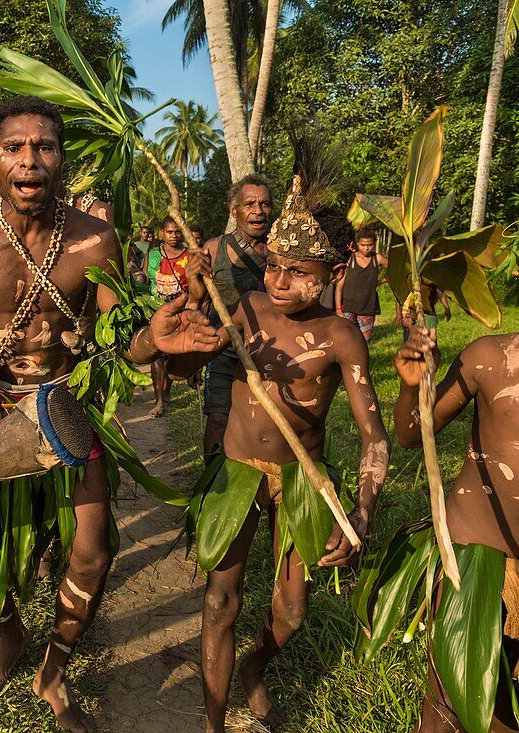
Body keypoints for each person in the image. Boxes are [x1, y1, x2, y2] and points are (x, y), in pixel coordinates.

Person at [0, 95, 203, 733]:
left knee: (93, 551)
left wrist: (155, 341)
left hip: (66, 409)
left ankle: (55, 668)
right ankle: (11, 635)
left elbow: (117, 339)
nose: (30, 160)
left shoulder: (96, 240)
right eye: (15, 147)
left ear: (62, 161)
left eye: (44, 147)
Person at [148, 176, 389, 733]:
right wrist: (193, 321)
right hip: (236, 469)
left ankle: (254, 670)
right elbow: (188, 366)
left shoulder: (340, 338)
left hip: (302, 478)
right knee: (220, 600)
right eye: (275, 265)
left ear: (331, 275)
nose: (280, 281)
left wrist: (361, 512)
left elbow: (374, 437)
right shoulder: (249, 308)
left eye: (298, 271)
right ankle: (212, 722)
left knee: (292, 612)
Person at [385, 327, 519, 733]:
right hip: (476, 551)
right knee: (448, 703)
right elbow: (411, 434)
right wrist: (413, 387)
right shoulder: (493, 356)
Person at [191, 174, 274, 458]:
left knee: (265, 425)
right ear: (234, 209)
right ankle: (212, 487)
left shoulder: (280, 251)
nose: (258, 211)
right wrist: (194, 359)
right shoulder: (215, 249)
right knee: (218, 419)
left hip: (271, 353)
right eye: (249, 203)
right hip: (224, 351)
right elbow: (199, 305)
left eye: (264, 204)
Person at [145, 215, 190, 417]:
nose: (173, 236)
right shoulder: (153, 254)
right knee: (157, 356)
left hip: (182, 312)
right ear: (162, 233)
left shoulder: (189, 255)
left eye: (177, 231)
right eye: (170, 232)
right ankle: (159, 401)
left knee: (173, 355)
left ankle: (167, 392)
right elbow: (145, 281)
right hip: (156, 311)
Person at [335, 228, 386, 341]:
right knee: (347, 338)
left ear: (374, 244)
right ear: (357, 243)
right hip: (348, 306)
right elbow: (339, 286)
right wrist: (338, 309)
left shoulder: (377, 258)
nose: (366, 248)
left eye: (369, 245)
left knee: (364, 340)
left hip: (368, 306)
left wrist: (380, 281)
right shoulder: (350, 259)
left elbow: (395, 269)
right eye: (363, 245)